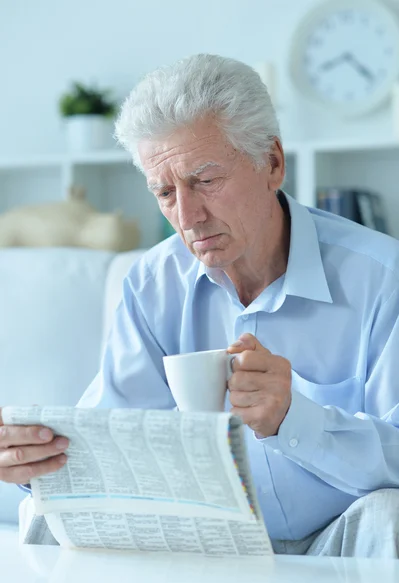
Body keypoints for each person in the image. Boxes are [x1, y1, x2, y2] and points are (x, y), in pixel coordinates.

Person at [1, 53, 399, 557]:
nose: (186, 217)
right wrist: (32, 460)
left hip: (339, 538)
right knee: (40, 511)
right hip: (203, 546)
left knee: (393, 515)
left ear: (272, 163)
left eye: (205, 181)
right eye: (165, 192)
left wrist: (296, 420)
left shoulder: (383, 277)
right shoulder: (152, 282)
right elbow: (111, 436)